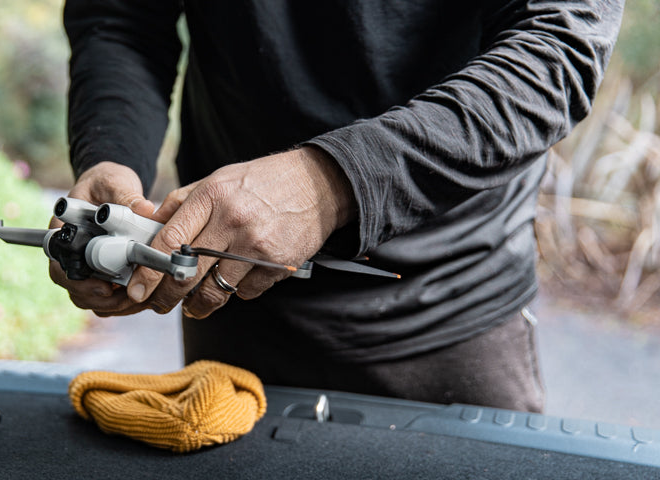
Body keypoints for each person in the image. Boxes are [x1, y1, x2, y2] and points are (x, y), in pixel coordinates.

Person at [51, 0, 625, 412]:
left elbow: (558, 49)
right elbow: (122, 18)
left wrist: (329, 183)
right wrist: (112, 153)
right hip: (228, 300)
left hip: (448, 312)